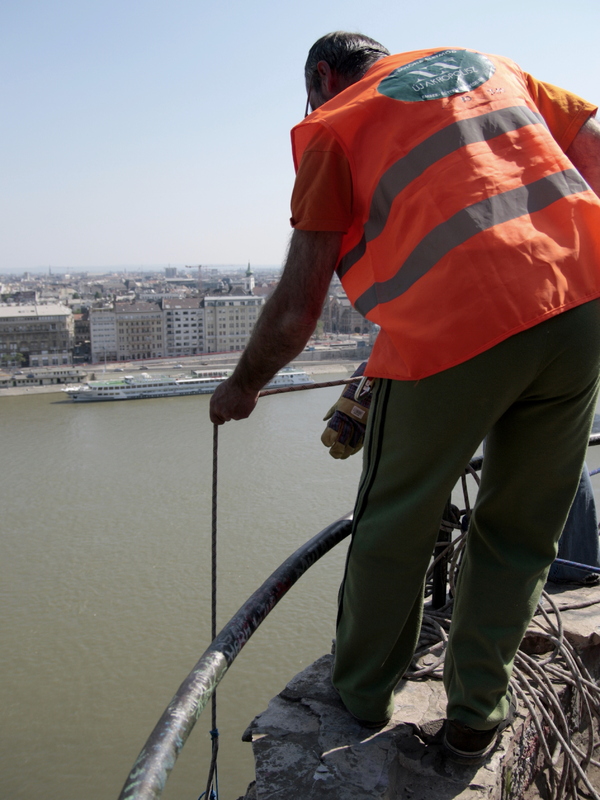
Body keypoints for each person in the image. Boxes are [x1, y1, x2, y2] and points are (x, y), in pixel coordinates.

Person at [210, 32, 600, 762]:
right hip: (578, 304)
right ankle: (478, 711)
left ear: (323, 77)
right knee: (519, 529)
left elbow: (297, 309)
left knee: (396, 520)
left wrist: (242, 387)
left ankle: (361, 695)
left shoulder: (335, 126)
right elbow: (594, 143)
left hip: (456, 327)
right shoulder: (485, 64)